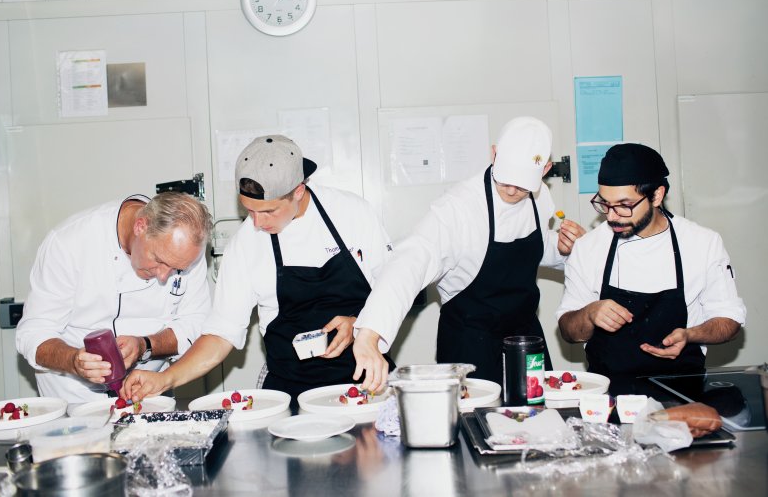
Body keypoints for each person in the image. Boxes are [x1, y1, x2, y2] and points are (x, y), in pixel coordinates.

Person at [122, 135, 394, 402]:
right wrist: (165, 378)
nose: (257, 223)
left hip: (367, 379)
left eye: (268, 212)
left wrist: (362, 324)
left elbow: (395, 289)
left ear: (298, 191)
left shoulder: (352, 214)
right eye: (249, 211)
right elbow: (221, 334)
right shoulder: (245, 244)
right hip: (290, 390)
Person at [353, 117, 585, 391]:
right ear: (494, 153)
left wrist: (562, 250)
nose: (512, 191)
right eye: (506, 180)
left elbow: (533, 248)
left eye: (523, 186)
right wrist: (370, 333)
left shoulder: (540, 195)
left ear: (545, 170)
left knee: (536, 421)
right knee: (476, 424)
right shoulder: (459, 208)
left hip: (524, 334)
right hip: (470, 340)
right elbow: (411, 260)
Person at [555, 143, 745, 394]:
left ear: (656, 195)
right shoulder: (589, 247)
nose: (612, 216)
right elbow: (568, 331)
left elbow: (729, 320)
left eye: (624, 205)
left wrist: (692, 335)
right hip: (608, 395)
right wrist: (590, 313)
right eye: (605, 204)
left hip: (681, 392)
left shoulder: (702, 243)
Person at [16, 192, 213, 402]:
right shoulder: (69, 243)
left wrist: (146, 345)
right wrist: (74, 361)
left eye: (177, 269)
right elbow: (34, 334)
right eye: (158, 260)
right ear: (140, 227)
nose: (164, 276)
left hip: (148, 392)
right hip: (74, 398)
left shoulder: (188, 249)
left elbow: (196, 323)